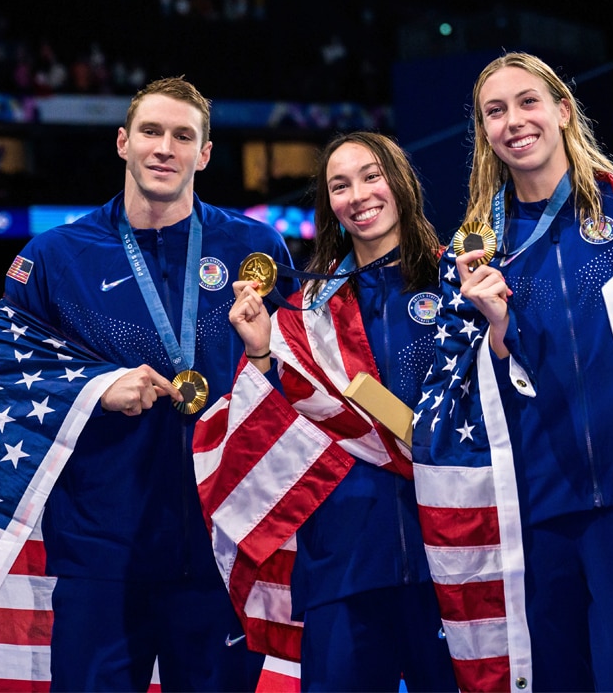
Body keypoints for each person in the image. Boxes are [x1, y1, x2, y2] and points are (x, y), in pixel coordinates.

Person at [0, 76, 294, 690]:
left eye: (183, 136)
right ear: (123, 142)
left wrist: (269, 351)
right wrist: (94, 387)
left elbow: (299, 375)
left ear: (206, 154)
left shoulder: (256, 248)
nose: (165, 147)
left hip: (221, 543)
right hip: (100, 549)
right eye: (151, 131)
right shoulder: (59, 256)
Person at [411, 52, 613, 692]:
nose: (514, 121)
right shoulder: (473, 249)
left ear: (563, 110)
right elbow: (470, 388)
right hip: (532, 510)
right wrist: (497, 331)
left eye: (528, 102)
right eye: (495, 112)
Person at [193, 132, 456, 691]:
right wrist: (262, 352)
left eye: (371, 176)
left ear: (401, 183)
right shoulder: (304, 312)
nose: (358, 194)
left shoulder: (456, 283)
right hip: (343, 561)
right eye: (340, 185)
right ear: (329, 205)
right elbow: (273, 427)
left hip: (448, 552)